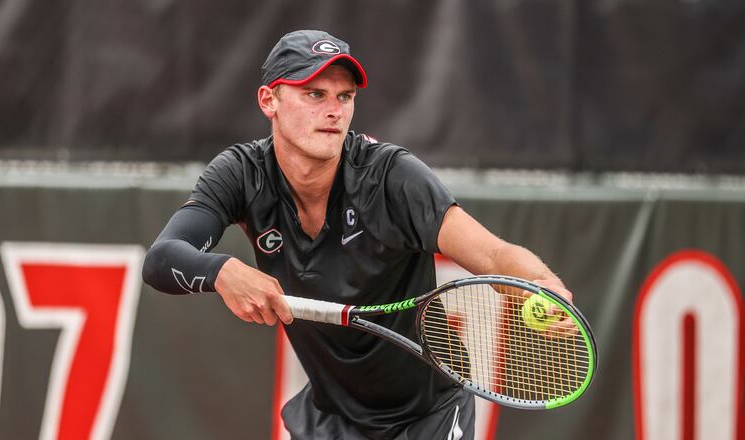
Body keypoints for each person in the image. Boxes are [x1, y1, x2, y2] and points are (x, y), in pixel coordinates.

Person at [142, 29, 575, 440]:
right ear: (268, 100)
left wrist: (540, 283)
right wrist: (223, 272)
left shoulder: (391, 177)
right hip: (331, 418)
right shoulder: (241, 173)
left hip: (427, 418)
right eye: (314, 94)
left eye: (344, 96)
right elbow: (163, 258)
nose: (334, 111)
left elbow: (495, 256)